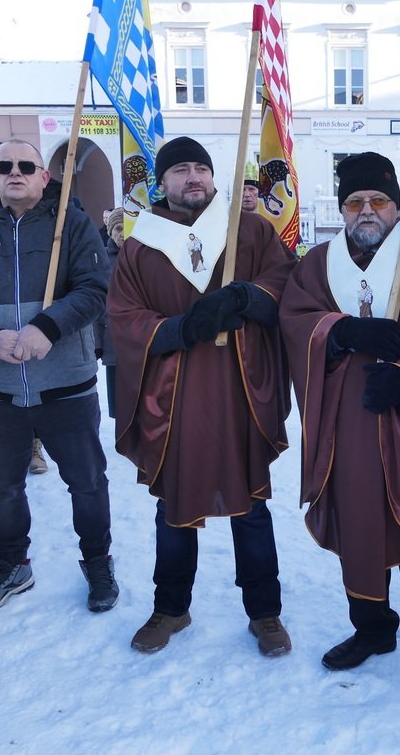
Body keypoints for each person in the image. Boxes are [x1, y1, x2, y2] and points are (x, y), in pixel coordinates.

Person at [279, 152, 400, 710]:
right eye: (355, 202)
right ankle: (374, 627)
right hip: (346, 421)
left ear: (398, 204)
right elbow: (296, 320)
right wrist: (341, 333)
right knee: (358, 524)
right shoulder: (319, 262)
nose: (367, 211)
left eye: (379, 201)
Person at [109, 137, 294, 657]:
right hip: (174, 395)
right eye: (180, 170)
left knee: (252, 506)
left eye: (201, 169)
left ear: (213, 177)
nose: (193, 177)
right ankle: (171, 607)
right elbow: (123, 316)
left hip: (239, 386)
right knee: (175, 507)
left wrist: (246, 297)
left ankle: (265, 612)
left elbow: (285, 282)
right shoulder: (140, 244)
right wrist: (178, 329)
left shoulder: (249, 230)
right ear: (161, 182)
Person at [0, 139, 117, 616]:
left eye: (26, 165)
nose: (16, 172)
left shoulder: (71, 226)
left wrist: (47, 327)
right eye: (4, 166)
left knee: (88, 481)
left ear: (43, 176)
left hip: (65, 384)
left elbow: (95, 288)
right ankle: (14, 563)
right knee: (2, 486)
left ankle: (97, 560)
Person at [96, 209, 124, 419]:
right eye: (117, 228)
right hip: (113, 340)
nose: (122, 233)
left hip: (142, 340)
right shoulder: (102, 261)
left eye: (127, 227)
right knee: (119, 402)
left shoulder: (146, 257)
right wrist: (97, 343)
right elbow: (97, 304)